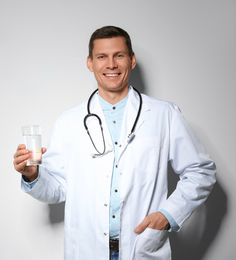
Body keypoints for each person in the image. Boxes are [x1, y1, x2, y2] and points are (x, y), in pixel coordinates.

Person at [13, 26, 216, 260]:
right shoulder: (68, 121)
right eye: (102, 57)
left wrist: (168, 215)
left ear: (131, 60)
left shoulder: (164, 114)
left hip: (143, 245)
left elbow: (201, 171)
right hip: (87, 249)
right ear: (90, 63)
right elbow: (58, 188)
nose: (111, 64)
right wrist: (32, 175)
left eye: (118, 55)